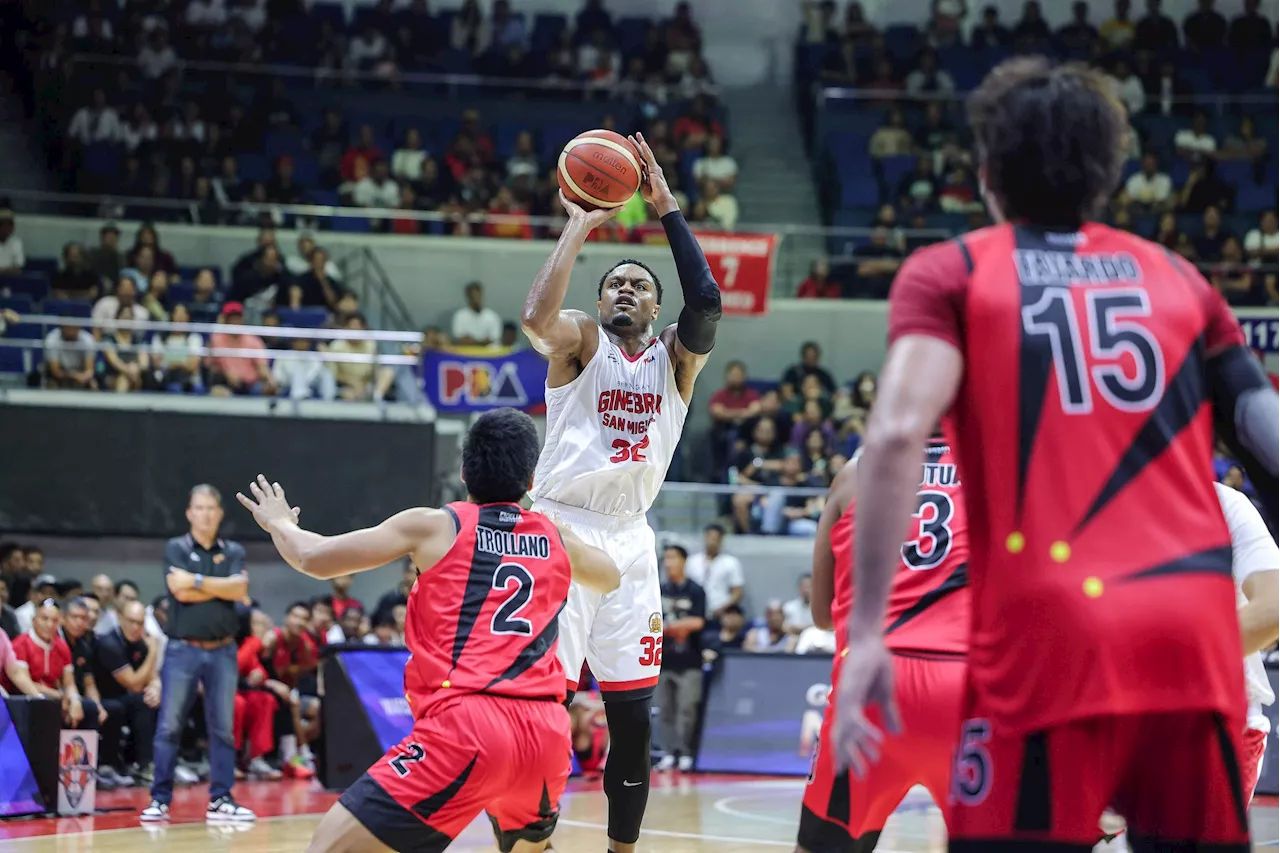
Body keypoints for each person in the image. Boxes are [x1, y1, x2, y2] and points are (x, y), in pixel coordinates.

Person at [830, 57, 1280, 851]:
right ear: (1109, 171)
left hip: (1047, 633)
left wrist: (867, 630)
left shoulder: (953, 272)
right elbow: (1262, 428)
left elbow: (899, 433)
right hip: (1183, 634)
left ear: (986, 174)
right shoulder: (1181, 281)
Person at [235, 407, 622, 853]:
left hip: (468, 724)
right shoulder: (555, 536)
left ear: (464, 472)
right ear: (531, 481)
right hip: (545, 733)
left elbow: (313, 558)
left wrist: (280, 522)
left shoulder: (434, 525)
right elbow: (610, 575)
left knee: (329, 848)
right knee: (529, 849)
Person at [519, 131, 723, 853]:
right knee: (538, 704)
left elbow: (707, 299)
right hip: (560, 527)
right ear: (601, 302)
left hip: (631, 538)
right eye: (616, 283)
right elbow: (535, 321)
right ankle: (529, 837)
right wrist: (579, 222)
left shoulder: (675, 361)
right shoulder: (580, 340)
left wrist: (665, 206)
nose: (627, 288)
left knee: (633, 715)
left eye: (640, 283)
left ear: (655, 307)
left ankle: (621, 850)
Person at [797, 437, 969, 853]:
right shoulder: (994, 473)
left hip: (868, 689)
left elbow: (821, 613)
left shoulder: (854, 473)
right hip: (963, 688)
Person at [142, 484, 257, 823]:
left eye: (211, 508)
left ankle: (221, 798)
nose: (205, 514)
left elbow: (239, 589)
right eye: (199, 508)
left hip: (223, 650)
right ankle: (159, 799)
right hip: (182, 649)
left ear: (220, 513)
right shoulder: (175, 547)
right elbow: (178, 591)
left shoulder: (233, 550)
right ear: (189, 513)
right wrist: (216, 586)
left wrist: (194, 581)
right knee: (169, 727)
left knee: (222, 728)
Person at [94, 600, 161, 787]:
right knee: (135, 702)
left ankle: (149, 763)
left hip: (129, 698)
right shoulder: (109, 643)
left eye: (140, 623)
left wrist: (156, 688)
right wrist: (153, 652)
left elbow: (152, 677)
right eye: (131, 621)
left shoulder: (141, 643)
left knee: (154, 701)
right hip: (105, 697)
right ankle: (118, 764)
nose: (135, 627)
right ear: (120, 618)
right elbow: (133, 683)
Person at [655, 544, 706, 773]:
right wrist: (676, 628)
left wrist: (670, 627)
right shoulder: (659, 589)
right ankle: (669, 752)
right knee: (665, 710)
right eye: (666, 558)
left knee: (687, 709)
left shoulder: (695, 590)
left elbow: (698, 622)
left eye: (673, 558)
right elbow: (652, 622)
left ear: (684, 561)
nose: (668, 563)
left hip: (690, 660)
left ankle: (686, 753)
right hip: (663, 660)